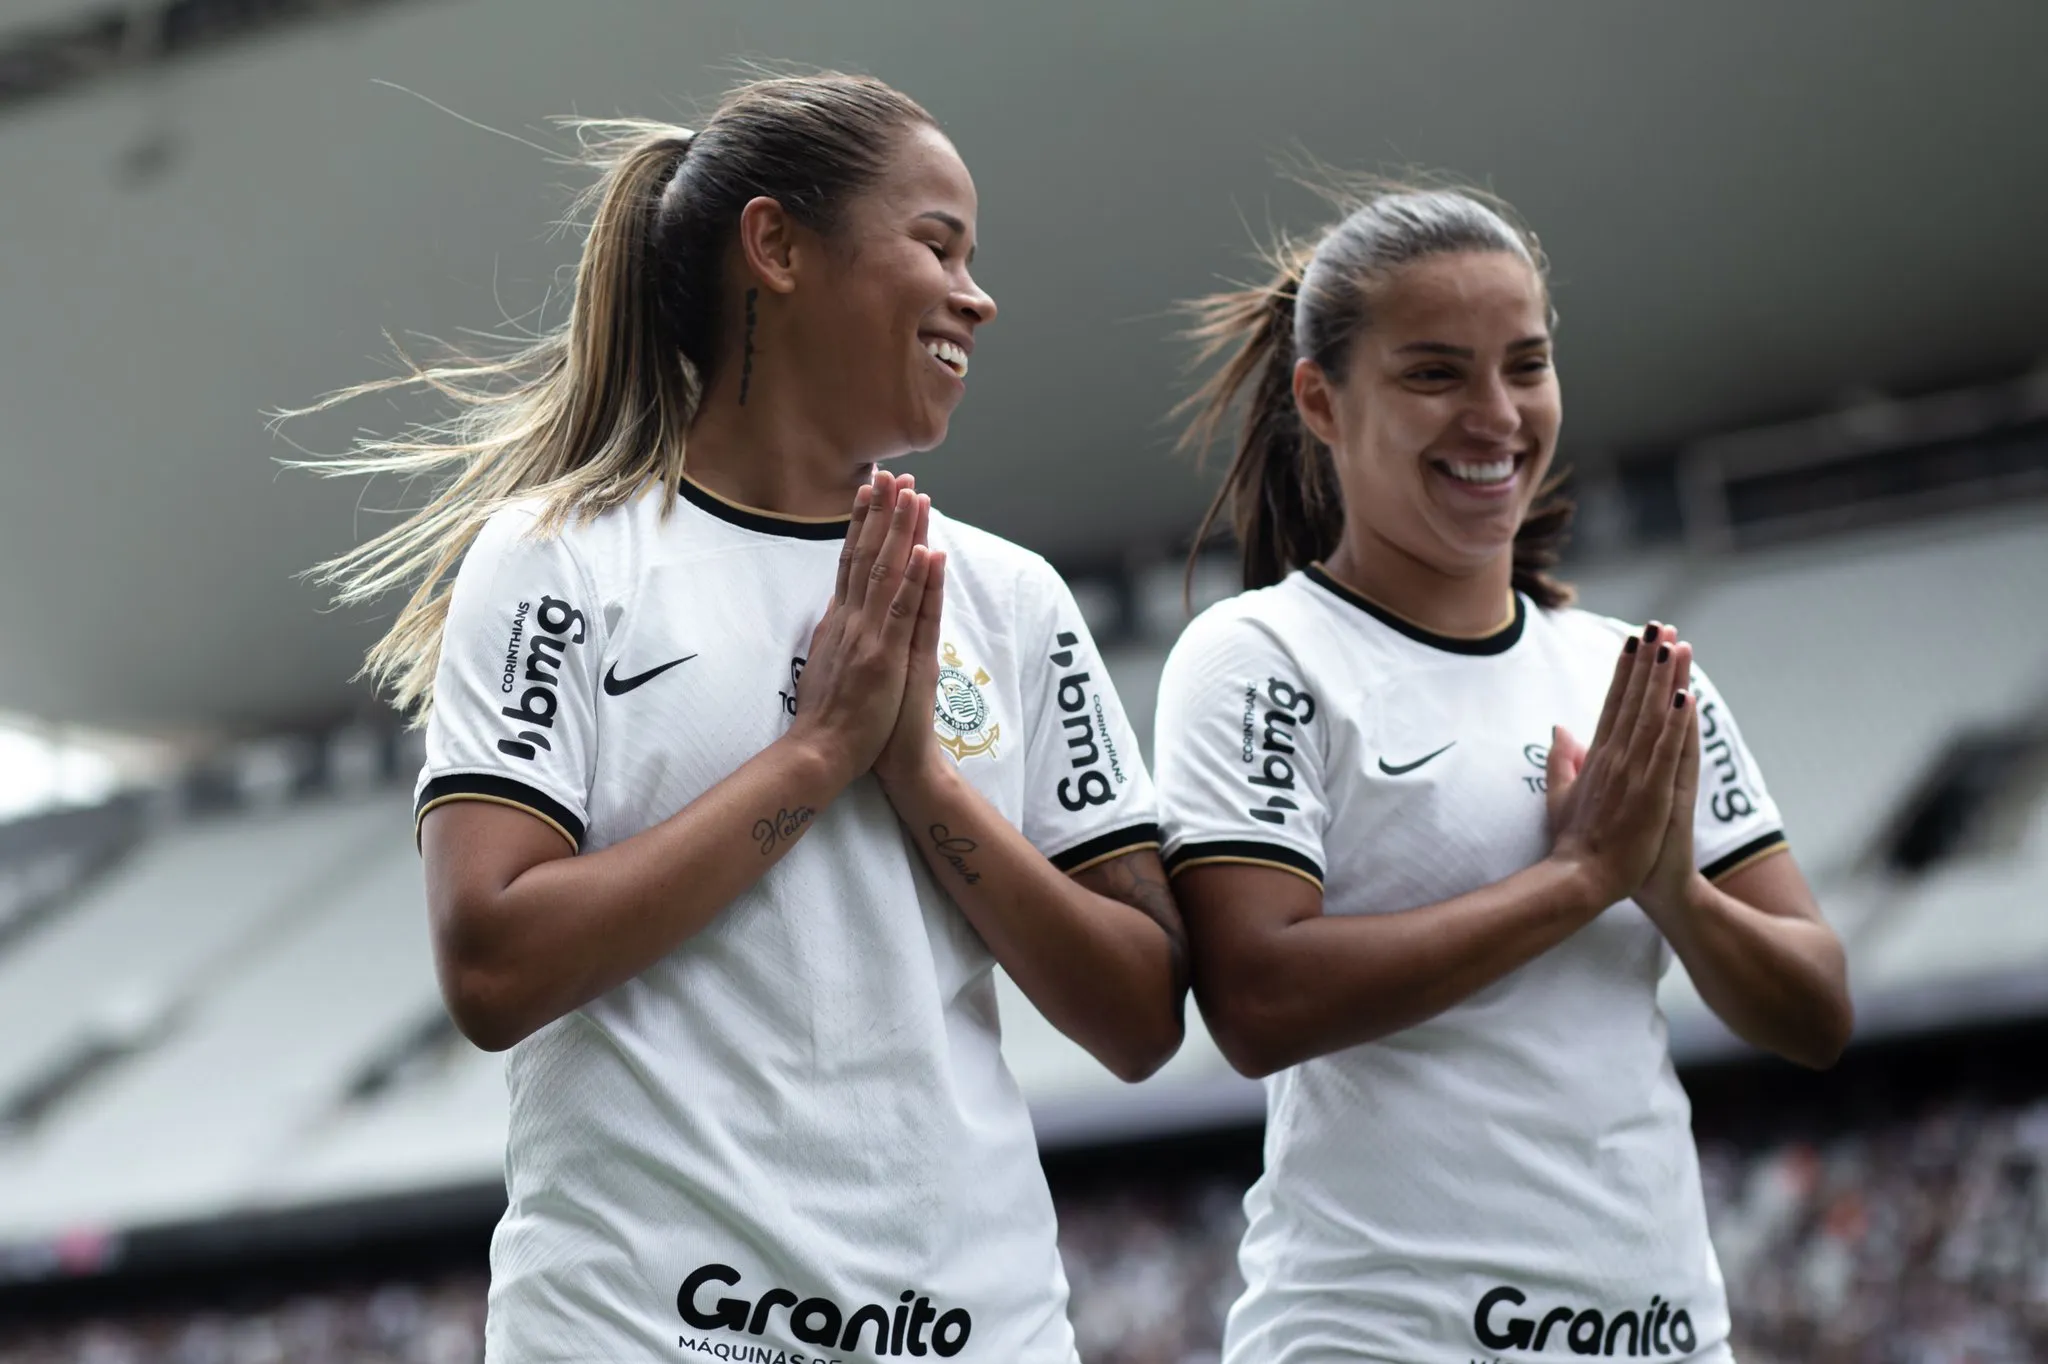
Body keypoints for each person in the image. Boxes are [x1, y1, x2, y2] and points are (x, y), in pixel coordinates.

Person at [296, 73, 1185, 1363]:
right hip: (644, 1333)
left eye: (973, 258)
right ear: (774, 247)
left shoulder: (1009, 597)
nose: (975, 294)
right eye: (935, 243)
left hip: (976, 1331)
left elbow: (1144, 1010)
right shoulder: (560, 559)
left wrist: (923, 782)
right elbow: (491, 964)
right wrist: (816, 756)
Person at [1153, 178, 1853, 1362]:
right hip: (1385, 1338)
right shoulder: (1262, 652)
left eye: (1522, 365)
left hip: (1661, 1334)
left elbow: (1817, 1007)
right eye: (1433, 372)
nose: (1495, 415)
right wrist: (1577, 880)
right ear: (1319, 400)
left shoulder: (1629, 673)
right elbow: (1257, 999)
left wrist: (1669, 887)